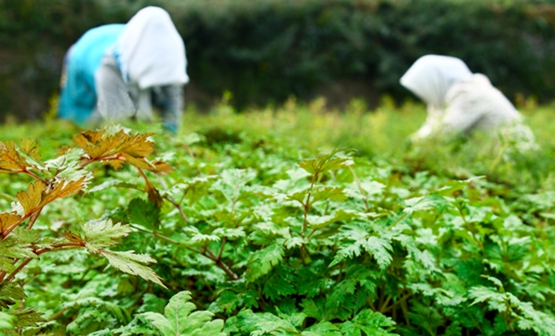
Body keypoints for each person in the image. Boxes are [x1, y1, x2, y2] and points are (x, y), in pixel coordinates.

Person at [58, 6, 189, 133]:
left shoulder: (168, 59)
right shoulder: (109, 67)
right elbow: (119, 123)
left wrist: (170, 135)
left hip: (113, 43)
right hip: (82, 56)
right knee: (81, 117)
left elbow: (171, 106)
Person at [400, 55, 537, 151]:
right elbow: (432, 126)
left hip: (518, 158)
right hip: (495, 159)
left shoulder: (470, 95)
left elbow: (443, 133)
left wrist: (409, 145)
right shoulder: (450, 99)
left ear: (432, 82)